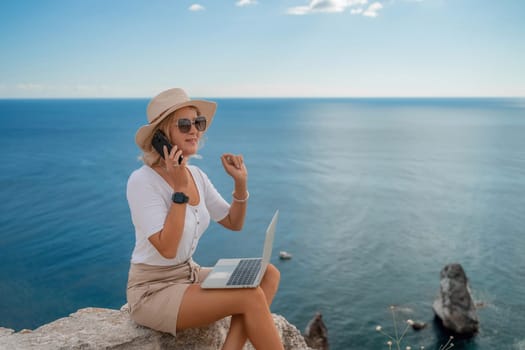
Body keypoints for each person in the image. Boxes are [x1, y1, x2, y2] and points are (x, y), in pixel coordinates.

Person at [126, 88, 284, 350]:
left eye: (198, 123)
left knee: (268, 274)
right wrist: (178, 191)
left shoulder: (196, 175)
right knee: (248, 295)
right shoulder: (142, 181)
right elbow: (167, 249)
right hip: (153, 290)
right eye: (184, 124)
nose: (195, 131)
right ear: (162, 137)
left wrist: (240, 183)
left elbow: (234, 222)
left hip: (189, 274)